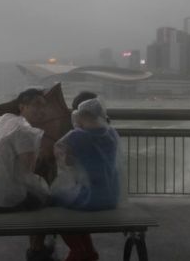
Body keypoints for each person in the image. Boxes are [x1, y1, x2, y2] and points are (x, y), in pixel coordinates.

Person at [0, 88, 55, 261]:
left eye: (44, 106)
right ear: (22, 107)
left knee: (38, 196)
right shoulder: (26, 132)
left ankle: (37, 248)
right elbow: (27, 172)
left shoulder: (2, 121)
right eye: (36, 105)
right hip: (3, 200)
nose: (42, 110)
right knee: (50, 200)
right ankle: (37, 250)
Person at [52, 95, 121, 261]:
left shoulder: (77, 136)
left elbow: (64, 160)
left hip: (92, 198)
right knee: (72, 205)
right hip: (112, 196)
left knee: (54, 203)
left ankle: (78, 250)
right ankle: (88, 251)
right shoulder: (111, 133)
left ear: (81, 115)